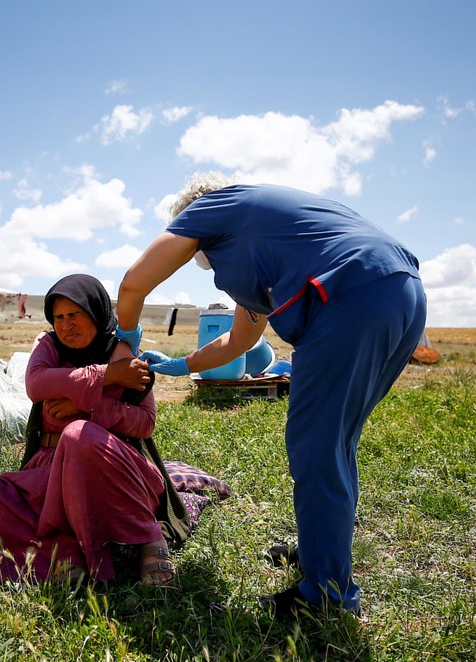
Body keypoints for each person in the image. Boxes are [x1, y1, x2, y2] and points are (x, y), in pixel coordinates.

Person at [116, 173, 427, 619]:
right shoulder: (266, 238)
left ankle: (326, 597)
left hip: (346, 298)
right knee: (336, 443)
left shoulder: (211, 207)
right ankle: (320, 551)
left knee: (317, 448)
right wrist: (182, 366)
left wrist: (125, 339)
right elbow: (240, 341)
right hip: (399, 291)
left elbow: (133, 284)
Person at [0, 274, 176, 586]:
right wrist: (106, 376)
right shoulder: (50, 345)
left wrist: (88, 411)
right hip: (48, 472)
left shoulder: (124, 354)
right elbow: (36, 383)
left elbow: (144, 422)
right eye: (59, 317)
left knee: (79, 434)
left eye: (75, 315)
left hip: (111, 470)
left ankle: (149, 535)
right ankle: (62, 554)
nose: (66, 325)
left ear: (96, 313)